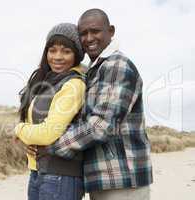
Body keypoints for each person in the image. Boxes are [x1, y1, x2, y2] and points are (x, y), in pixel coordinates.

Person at [39, 9, 153, 200]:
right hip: (103, 178)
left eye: (95, 31)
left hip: (122, 179)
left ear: (111, 31)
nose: (89, 38)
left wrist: (51, 146)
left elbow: (101, 125)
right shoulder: (94, 70)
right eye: (83, 33)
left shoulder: (117, 65)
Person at [14, 23, 86, 200]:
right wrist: (28, 136)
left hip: (61, 176)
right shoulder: (47, 81)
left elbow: (48, 133)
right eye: (52, 50)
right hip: (38, 172)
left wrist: (18, 130)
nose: (57, 57)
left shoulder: (73, 85)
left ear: (76, 54)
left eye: (66, 51)